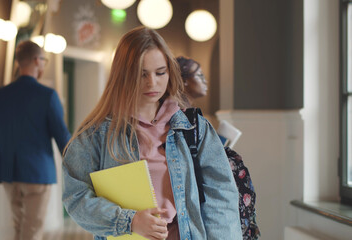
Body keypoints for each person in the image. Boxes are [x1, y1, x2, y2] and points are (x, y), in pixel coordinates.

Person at [62, 26, 241, 240]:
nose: (152, 83)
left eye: (160, 72)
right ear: (123, 76)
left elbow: (221, 198)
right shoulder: (96, 134)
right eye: (142, 74)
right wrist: (130, 221)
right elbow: (76, 197)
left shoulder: (194, 127)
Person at [0, 40, 71, 240]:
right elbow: (62, 136)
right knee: (32, 230)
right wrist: (79, 164)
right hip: (37, 173)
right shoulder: (47, 95)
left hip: (8, 172)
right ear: (36, 60)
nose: (43, 65)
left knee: (19, 226)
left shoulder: (0, 95)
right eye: (44, 60)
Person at [176, 56, 260, 239]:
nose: (205, 81)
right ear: (184, 81)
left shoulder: (198, 119)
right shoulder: (179, 119)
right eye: (199, 76)